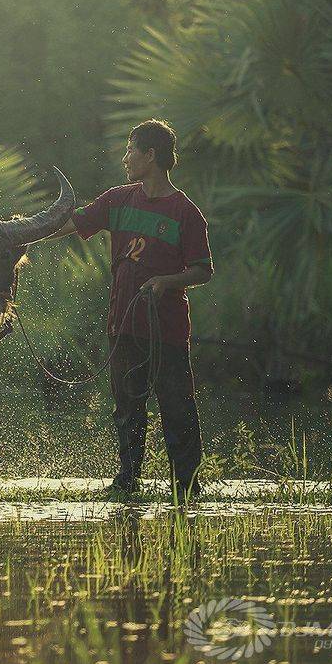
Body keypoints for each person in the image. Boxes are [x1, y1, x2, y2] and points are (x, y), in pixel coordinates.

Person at [50, 120, 212, 500]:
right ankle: (127, 482)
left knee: (178, 409)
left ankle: (187, 488)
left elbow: (204, 270)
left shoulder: (186, 212)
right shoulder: (117, 200)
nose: (125, 159)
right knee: (127, 408)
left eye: (130, 151)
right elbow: (75, 222)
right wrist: (22, 236)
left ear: (150, 155)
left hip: (166, 329)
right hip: (123, 322)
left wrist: (165, 282)